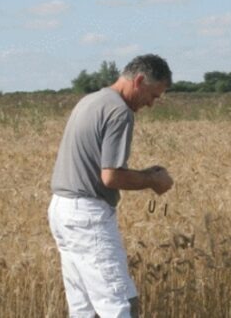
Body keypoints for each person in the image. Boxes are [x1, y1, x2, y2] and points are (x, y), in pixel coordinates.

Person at [48, 53, 174, 317]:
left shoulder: (91, 100)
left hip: (62, 210)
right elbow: (110, 177)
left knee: (83, 308)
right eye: (153, 95)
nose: (151, 104)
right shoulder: (120, 111)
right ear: (139, 80)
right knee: (119, 303)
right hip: (88, 216)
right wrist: (152, 180)